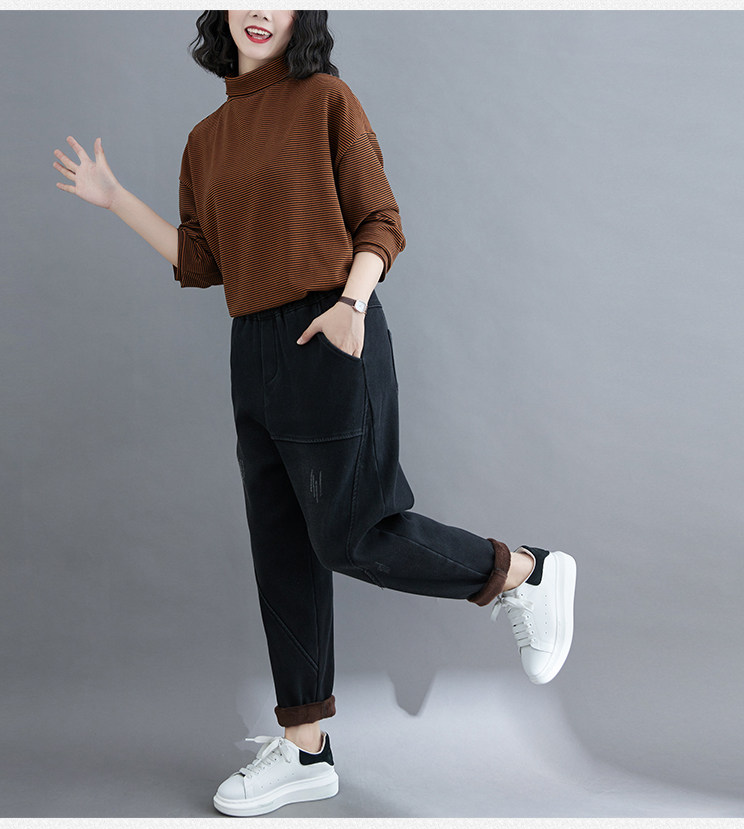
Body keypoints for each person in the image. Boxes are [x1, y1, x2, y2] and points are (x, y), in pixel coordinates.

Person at [53, 9, 577, 818]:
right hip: (252, 349)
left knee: (352, 533)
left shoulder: (326, 99)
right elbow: (201, 260)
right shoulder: (205, 139)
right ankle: (304, 747)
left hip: (330, 328)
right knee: (283, 550)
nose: (261, 10)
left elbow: (381, 221)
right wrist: (115, 197)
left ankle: (524, 571)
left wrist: (351, 303)